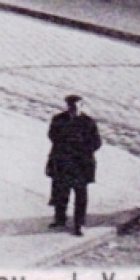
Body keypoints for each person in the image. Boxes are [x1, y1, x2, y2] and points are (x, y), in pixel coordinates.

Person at [46, 94, 102, 235]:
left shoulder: (89, 122)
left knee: (80, 196)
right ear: (68, 106)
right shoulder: (58, 120)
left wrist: (81, 149)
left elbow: (96, 142)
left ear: (82, 106)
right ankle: (60, 219)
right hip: (63, 162)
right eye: (72, 106)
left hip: (81, 165)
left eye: (78, 106)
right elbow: (52, 136)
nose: (74, 109)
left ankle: (79, 224)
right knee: (60, 192)